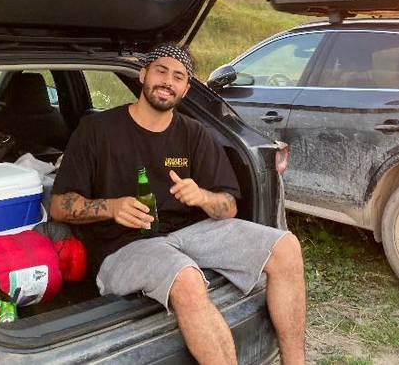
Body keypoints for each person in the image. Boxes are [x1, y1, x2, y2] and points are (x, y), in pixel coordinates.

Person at [50, 43, 306, 365]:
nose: (168, 81)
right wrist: (112, 207)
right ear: (143, 75)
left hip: (190, 234)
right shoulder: (97, 130)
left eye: (178, 76)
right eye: (161, 71)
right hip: (124, 245)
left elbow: (228, 206)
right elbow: (59, 206)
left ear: (185, 89)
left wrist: (203, 197)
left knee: (286, 247)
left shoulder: (194, 133)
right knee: (186, 277)